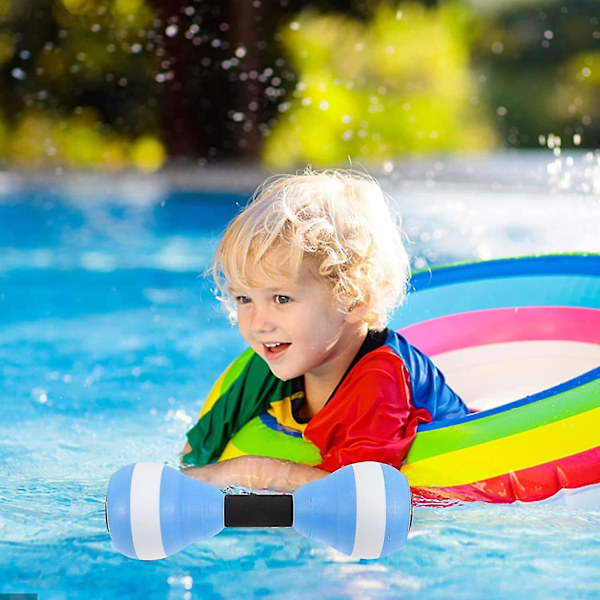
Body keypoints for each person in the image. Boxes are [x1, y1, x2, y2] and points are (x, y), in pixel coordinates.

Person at [182, 169, 469, 491]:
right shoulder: (264, 365)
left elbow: (360, 496)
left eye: (281, 298)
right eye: (244, 298)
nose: (258, 324)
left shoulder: (382, 377)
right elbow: (194, 458)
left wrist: (250, 472)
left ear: (354, 300)